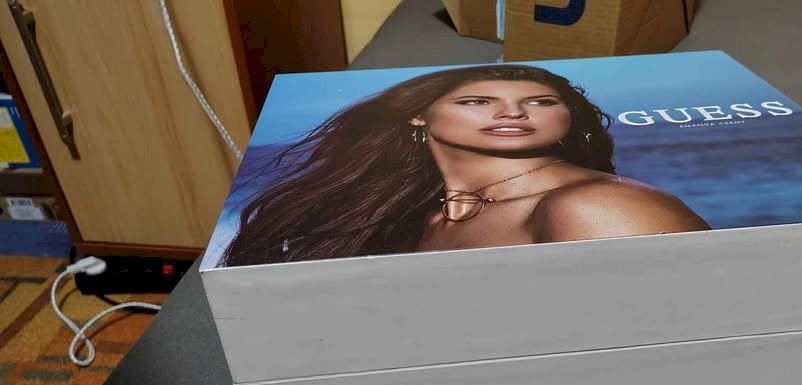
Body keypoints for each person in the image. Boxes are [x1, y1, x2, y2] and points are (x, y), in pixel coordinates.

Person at [221, 65, 709, 266]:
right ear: (418, 115)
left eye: (540, 102)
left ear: (566, 118)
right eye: (477, 101)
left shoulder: (599, 207)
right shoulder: (412, 212)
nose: (513, 113)